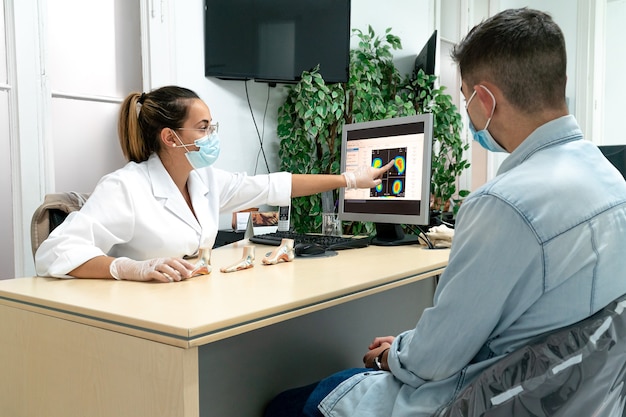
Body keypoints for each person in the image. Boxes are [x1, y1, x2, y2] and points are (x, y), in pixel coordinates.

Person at [263, 8, 626, 417]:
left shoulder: (504, 204)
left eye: (466, 97)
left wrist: (395, 352)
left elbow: (433, 361)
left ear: (485, 100)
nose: (468, 111)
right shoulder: (612, 181)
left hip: (479, 401)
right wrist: (412, 345)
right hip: (575, 399)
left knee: (285, 405)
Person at [35, 85, 392, 283]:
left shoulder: (202, 179)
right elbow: (53, 252)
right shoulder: (125, 187)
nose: (211, 135)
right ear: (171, 138)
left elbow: (272, 185)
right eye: (203, 127)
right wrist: (129, 268)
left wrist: (349, 179)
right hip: (140, 324)